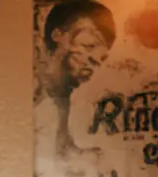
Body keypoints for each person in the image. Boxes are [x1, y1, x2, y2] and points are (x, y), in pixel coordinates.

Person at [34, 0, 117, 167]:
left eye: (102, 57)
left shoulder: (64, 96)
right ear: (57, 35)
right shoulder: (32, 91)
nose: (96, 60)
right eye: (88, 46)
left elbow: (60, 152)